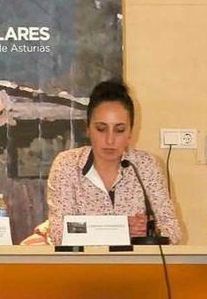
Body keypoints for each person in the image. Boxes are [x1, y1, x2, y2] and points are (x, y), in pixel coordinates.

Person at [46, 80, 181, 244]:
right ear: (87, 128)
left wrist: (150, 230)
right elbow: (59, 234)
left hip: (138, 267)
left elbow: (173, 231)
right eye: (101, 129)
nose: (110, 140)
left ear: (131, 131)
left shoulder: (147, 165)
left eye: (119, 130)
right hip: (83, 267)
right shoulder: (66, 165)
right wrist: (121, 229)